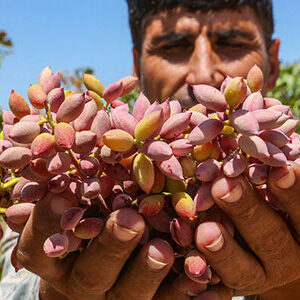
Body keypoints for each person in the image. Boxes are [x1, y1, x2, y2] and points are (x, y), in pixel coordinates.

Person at [1, 0, 300, 299]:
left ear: (272, 64)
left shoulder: (282, 166)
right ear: (136, 66)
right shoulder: (55, 202)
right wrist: (49, 292)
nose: (203, 73)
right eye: (173, 47)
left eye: (232, 43)